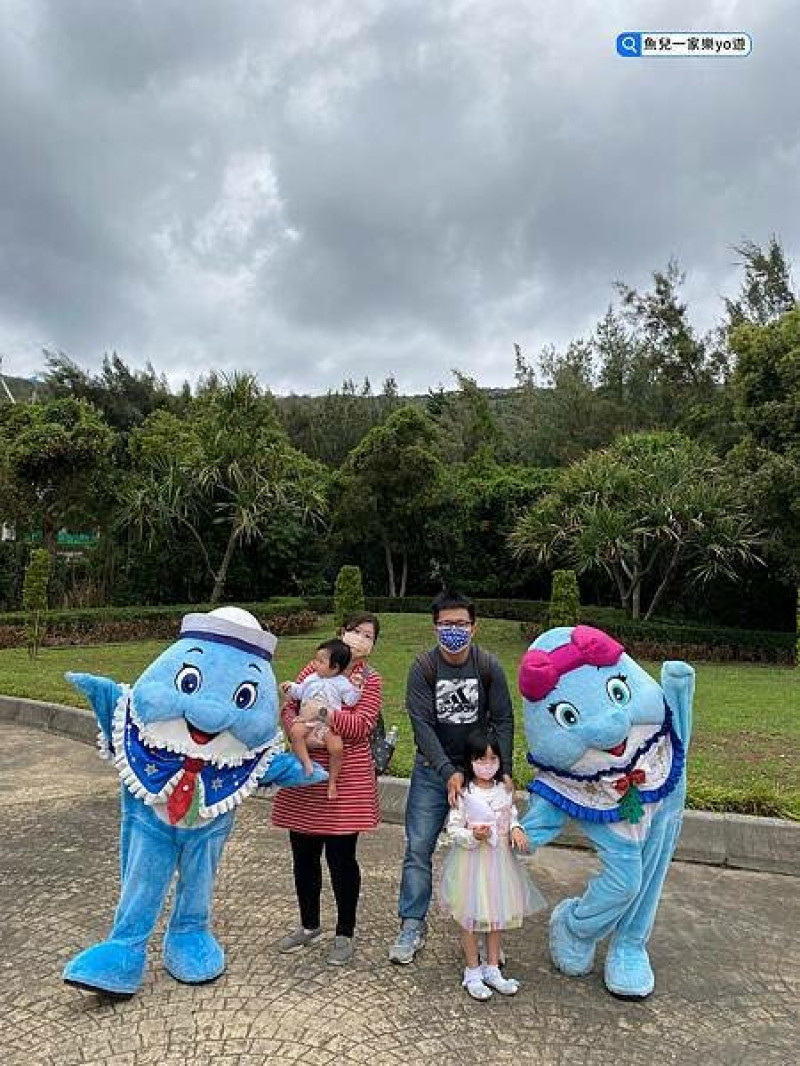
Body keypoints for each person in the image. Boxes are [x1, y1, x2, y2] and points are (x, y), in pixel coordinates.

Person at [389, 591, 515, 965]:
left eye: (461, 624)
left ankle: (486, 933)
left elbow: (504, 720)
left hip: (480, 776)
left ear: (474, 627)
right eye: (446, 625)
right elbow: (422, 726)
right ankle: (412, 924)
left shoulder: (489, 666)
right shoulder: (423, 668)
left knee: (485, 852)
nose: (453, 631)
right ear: (435, 628)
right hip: (433, 772)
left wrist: (503, 769)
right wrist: (447, 771)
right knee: (418, 848)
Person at [272, 612, 382, 966]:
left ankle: (344, 933)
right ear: (342, 633)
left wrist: (321, 715)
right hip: (305, 778)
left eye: (368, 635)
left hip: (344, 779)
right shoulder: (315, 667)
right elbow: (289, 709)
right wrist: (297, 726)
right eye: (355, 631)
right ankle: (309, 924)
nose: (360, 639)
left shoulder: (369, 680)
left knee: (341, 858)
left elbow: (361, 726)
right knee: (302, 855)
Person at [438, 729, 546, 1000]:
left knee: (497, 914)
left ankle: (492, 967)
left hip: (499, 864)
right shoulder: (464, 792)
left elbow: (511, 816)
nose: (487, 765)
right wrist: (472, 835)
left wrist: (517, 828)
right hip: (472, 863)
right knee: (470, 916)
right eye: (481, 760)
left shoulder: (504, 789)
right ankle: (472, 969)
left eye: (493, 759)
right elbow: (453, 828)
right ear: (470, 761)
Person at [281, 638, 362, 800]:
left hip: (326, 724)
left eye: (320, 661)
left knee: (337, 748)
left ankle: (332, 782)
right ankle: (306, 763)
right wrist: (289, 687)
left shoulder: (342, 683)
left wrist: (358, 688)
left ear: (335, 667)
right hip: (307, 720)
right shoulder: (311, 678)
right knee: (295, 732)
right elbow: (299, 692)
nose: (314, 663)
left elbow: (351, 700)